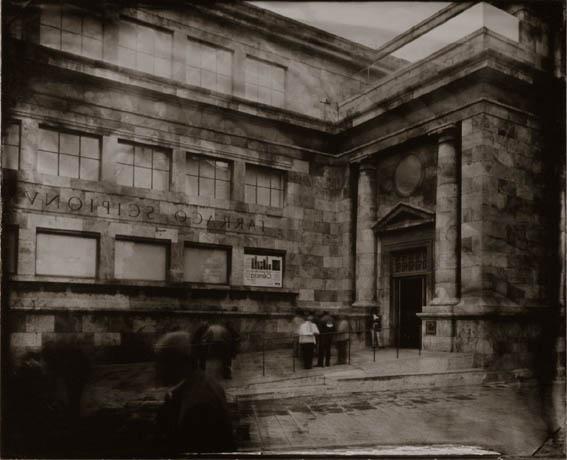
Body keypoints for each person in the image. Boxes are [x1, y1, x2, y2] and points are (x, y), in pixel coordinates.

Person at [154, 331, 236, 454]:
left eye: (162, 361)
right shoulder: (201, 382)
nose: (156, 368)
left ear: (179, 362)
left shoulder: (199, 405)